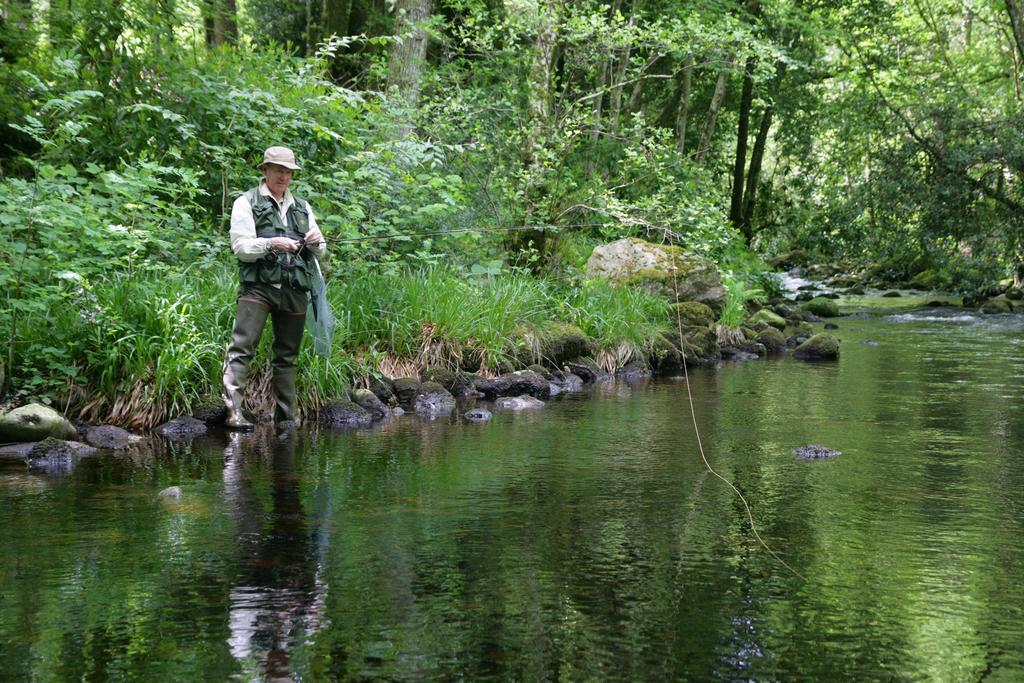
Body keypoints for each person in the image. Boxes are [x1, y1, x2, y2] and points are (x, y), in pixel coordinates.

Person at [222, 146, 326, 430]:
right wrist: (271, 244)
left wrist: (317, 242)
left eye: (289, 172)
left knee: (288, 356)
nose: (284, 176)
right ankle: (234, 413)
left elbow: (321, 251)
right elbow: (240, 247)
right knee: (242, 348)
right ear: (265, 170)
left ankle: (287, 417)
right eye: (279, 170)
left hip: (294, 289)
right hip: (258, 288)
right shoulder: (246, 202)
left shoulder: (303, 207)